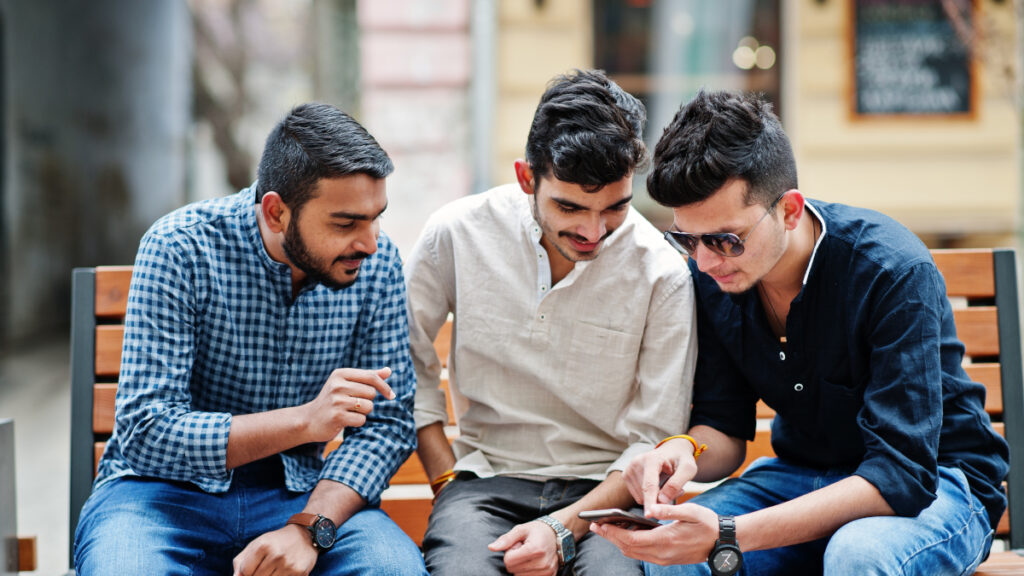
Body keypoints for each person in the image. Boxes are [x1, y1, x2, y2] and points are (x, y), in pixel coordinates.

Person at [591, 88, 1010, 576]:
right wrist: (679, 451)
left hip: (937, 485)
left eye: (726, 239)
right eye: (687, 239)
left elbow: (902, 474)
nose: (705, 261)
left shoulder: (890, 270)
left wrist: (728, 535)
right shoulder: (715, 278)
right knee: (671, 558)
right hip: (800, 477)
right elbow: (723, 428)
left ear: (789, 210)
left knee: (857, 555)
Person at [74, 103, 428, 576]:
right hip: (158, 495)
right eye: (346, 223)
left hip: (304, 493)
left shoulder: (377, 263)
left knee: (394, 571)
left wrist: (309, 527)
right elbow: (146, 431)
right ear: (276, 211)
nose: (369, 241)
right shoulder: (180, 247)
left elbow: (386, 425)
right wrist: (304, 422)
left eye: (376, 217)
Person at [404, 69, 697, 576]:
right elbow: (403, 356)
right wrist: (444, 479)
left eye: (615, 208)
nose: (593, 230)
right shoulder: (456, 234)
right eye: (569, 206)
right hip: (484, 481)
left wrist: (560, 526)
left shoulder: (662, 272)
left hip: (610, 493)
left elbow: (653, 436)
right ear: (526, 179)